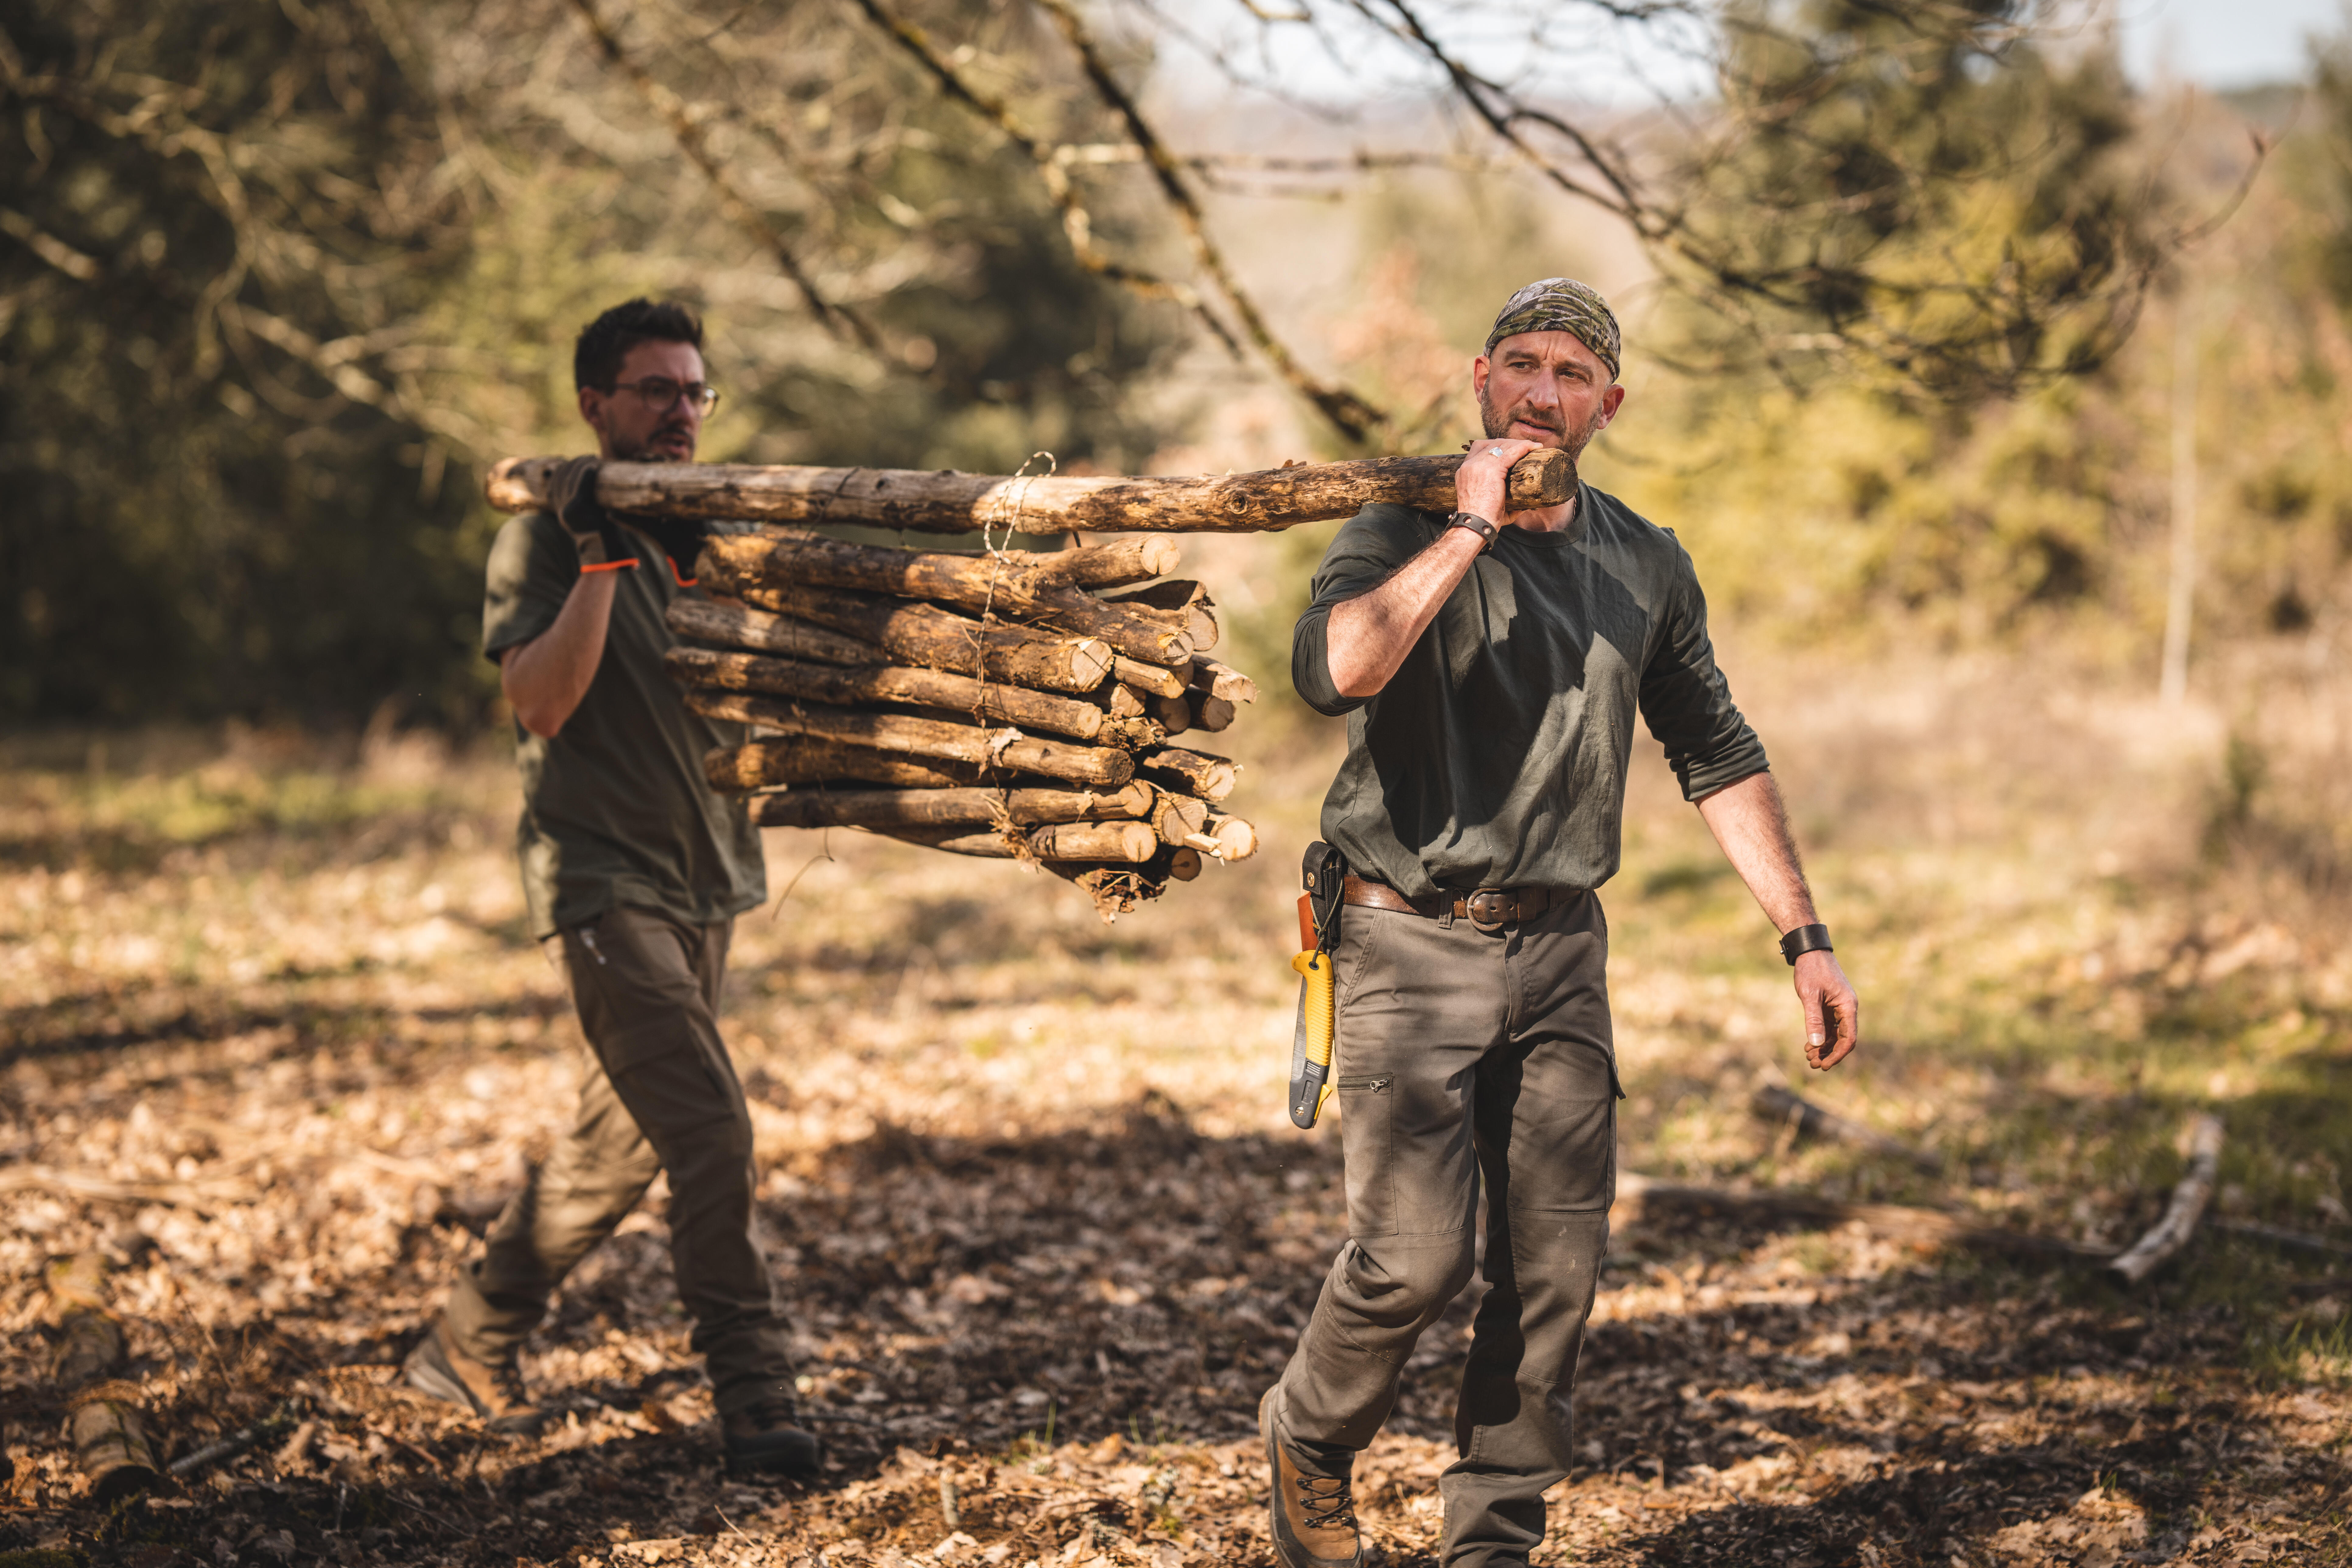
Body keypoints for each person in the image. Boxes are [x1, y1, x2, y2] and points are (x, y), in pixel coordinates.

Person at [1260, 278, 1860, 1568]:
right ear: (1481, 379)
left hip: (1560, 951)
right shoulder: (1394, 521)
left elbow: (1717, 748)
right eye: (1523, 365)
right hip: (1404, 934)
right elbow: (1337, 669)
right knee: (1412, 1261)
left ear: (1609, 403)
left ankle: (1493, 1542)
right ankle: (1309, 1439)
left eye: (1573, 373)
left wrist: (1803, 937)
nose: (1544, 391)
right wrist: (1467, 531)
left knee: (1551, 1280)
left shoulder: (1645, 559)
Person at [403, 299, 817, 1478]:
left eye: (696, 392)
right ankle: (757, 1396)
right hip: (601, 883)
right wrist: (601, 557)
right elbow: (540, 702)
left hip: (709, 881)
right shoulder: (543, 538)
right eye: (656, 391)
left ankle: (466, 1339)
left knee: (613, 1151)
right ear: (594, 403)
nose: (682, 413)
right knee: (712, 1131)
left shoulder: (715, 533)